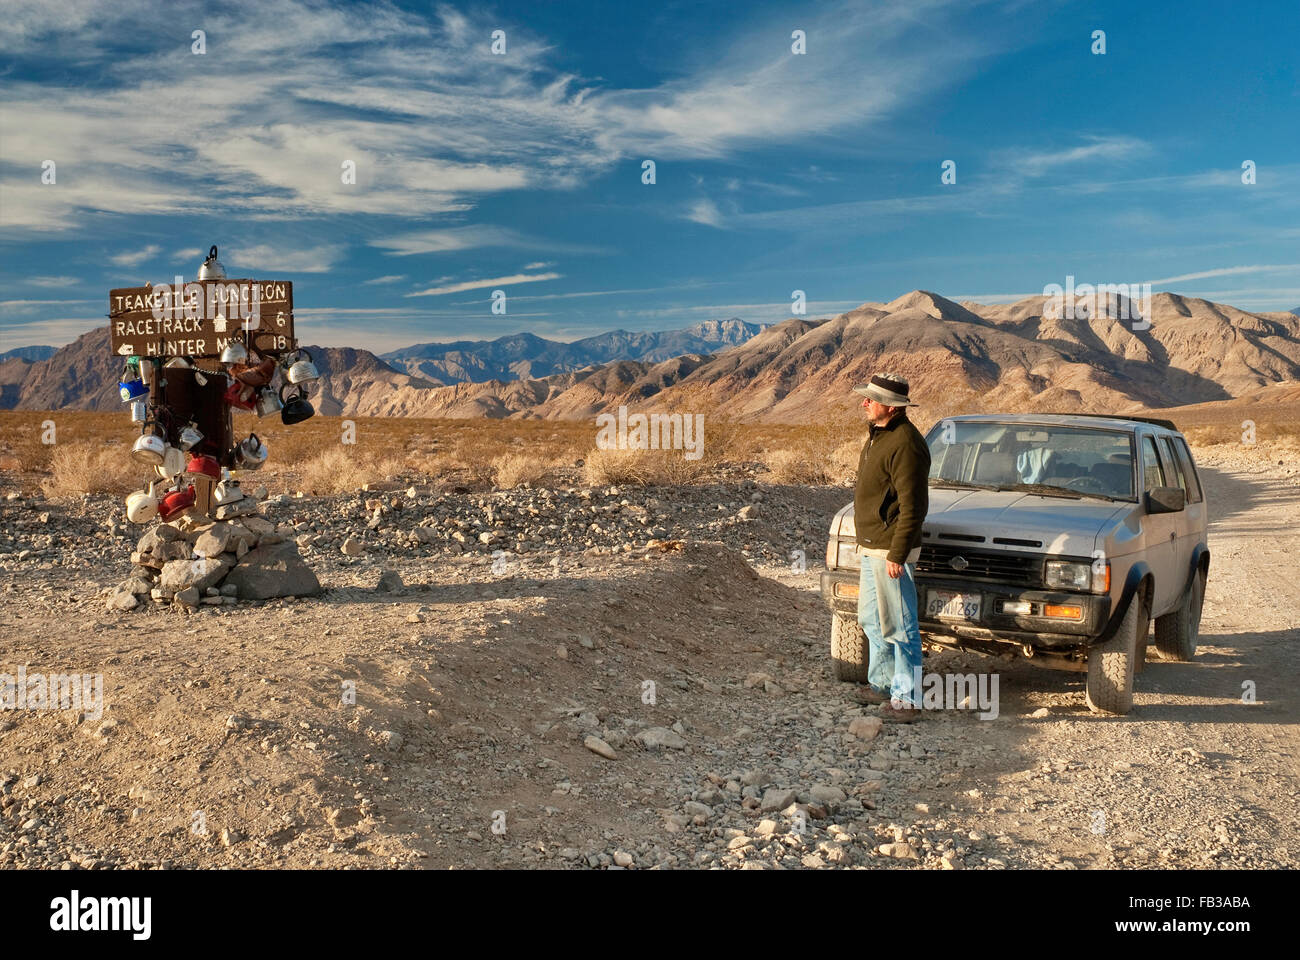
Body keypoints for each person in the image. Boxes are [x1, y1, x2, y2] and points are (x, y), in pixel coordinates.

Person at [851, 373, 931, 721]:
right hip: (872, 546)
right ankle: (881, 684)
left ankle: (907, 700)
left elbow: (913, 507)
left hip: (890, 550)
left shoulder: (906, 444)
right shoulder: (880, 434)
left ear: (892, 407)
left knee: (901, 625)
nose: (864, 402)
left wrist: (898, 554)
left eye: (871, 398)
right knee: (871, 619)